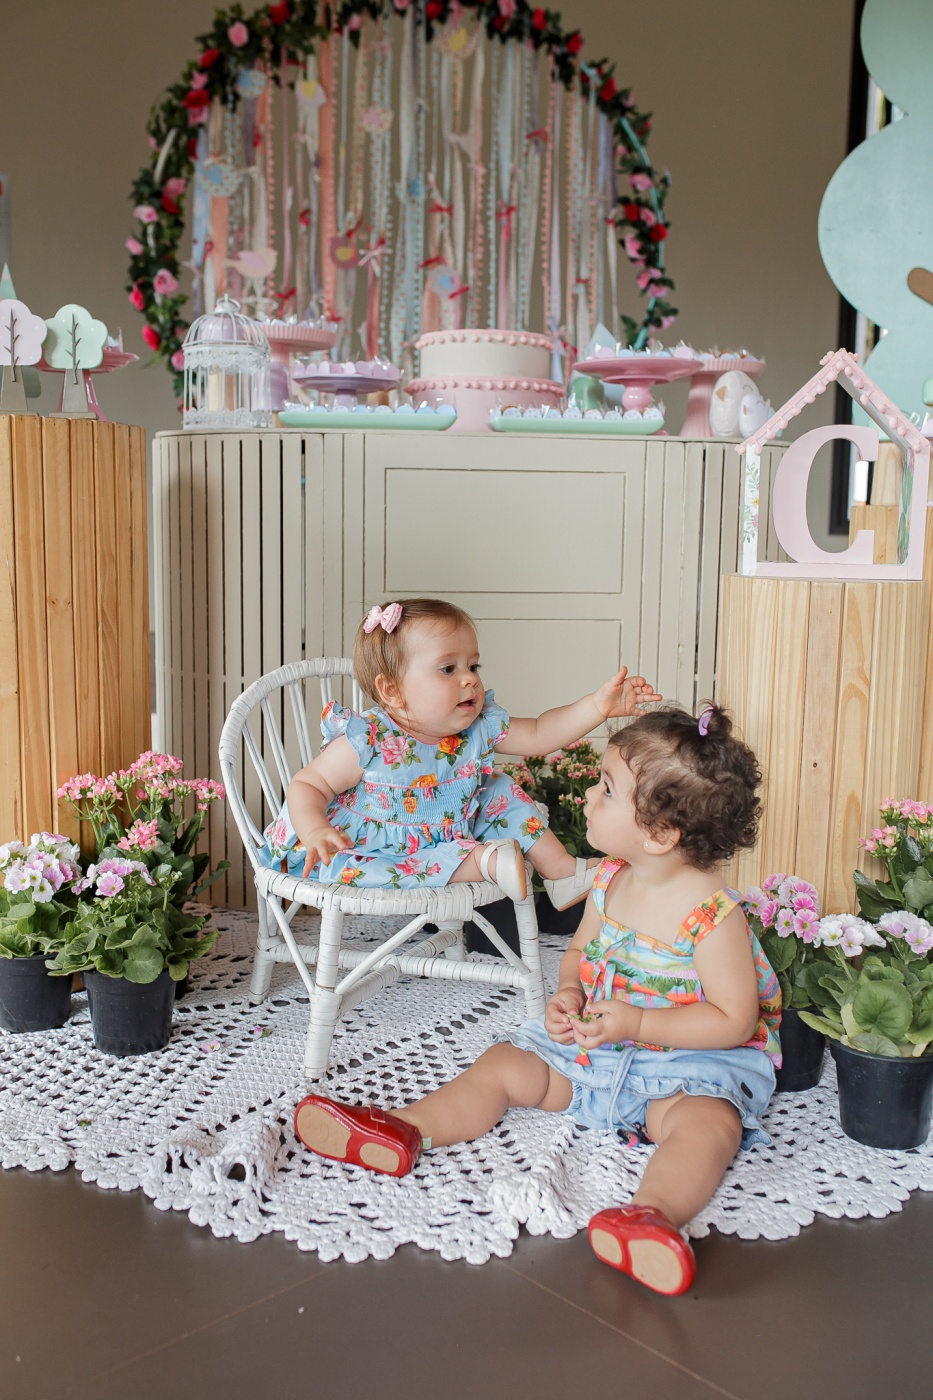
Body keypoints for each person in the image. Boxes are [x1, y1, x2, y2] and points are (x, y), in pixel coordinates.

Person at [292, 703, 781, 1298]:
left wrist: (638, 1021)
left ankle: (653, 1215)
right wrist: (570, 992)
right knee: (505, 1063)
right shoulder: (611, 879)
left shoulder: (712, 916)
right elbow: (577, 955)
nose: (589, 798)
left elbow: (733, 1021)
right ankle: (406, 1129)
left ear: (659, 835)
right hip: (597, 1051)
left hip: (687, 1067)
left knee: (709, 1125)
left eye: (606, 790)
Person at [259, 597, 660, 909]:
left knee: (497, 788)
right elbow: (308, 784)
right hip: (369, 848)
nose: (470, 679)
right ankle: (485, 862)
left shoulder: (476, 726)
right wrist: (315, 830)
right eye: (448, 669)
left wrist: (596, 706)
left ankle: (561, 872)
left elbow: (540, 733)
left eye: (473, 666)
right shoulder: (371, 740)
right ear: (392, 691)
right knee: (372, 868)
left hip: (444, 832)